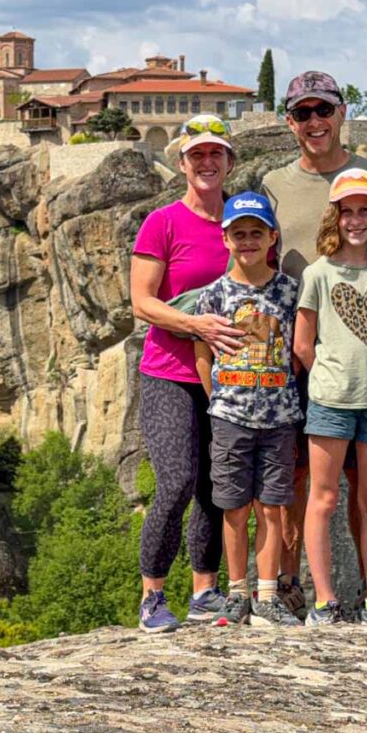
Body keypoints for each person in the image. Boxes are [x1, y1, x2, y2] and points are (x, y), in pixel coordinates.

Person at [261, 71, 367, 616]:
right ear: (290, 122)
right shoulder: (274, 182)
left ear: (341, 112)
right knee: (295, 477)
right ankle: (291, 588)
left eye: (322, 110)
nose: (314, 122)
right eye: (302, 113)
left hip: (366, 356)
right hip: (298, 346)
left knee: (363, 487)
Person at [130, 114, 245, 633]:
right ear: (181, 164)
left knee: (215, 489)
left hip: (230, 377)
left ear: (229, 162)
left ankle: (204, 592)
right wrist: (193, 324)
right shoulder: (163, 223)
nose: (206, 162)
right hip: (167, 373)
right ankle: (153, 595)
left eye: (215, 153)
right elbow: (141, 302)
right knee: (176, 482)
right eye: (197, 154)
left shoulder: (242, 222)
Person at [294, 168, 367, 625]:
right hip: (331, 402)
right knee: (322, 499)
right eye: (348, 212)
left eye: (365, 211)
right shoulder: (319, 273)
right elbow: (303, 343)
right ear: (335, 217)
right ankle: (324, 601)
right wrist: (330, 377)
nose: (356, 221)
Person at [194, 192, 303, 628]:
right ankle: (237, 593)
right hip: (230, 418)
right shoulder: (214, 295)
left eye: (256, 233)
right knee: (234, 509)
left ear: (272, 237)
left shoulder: (290, 291)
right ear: (225, 239)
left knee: (272, 509)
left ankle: (268, 594)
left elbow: (296, 350)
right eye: (238, 234)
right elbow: (203, 355)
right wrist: (220, 400)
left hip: (279, 419)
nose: (247, 241)